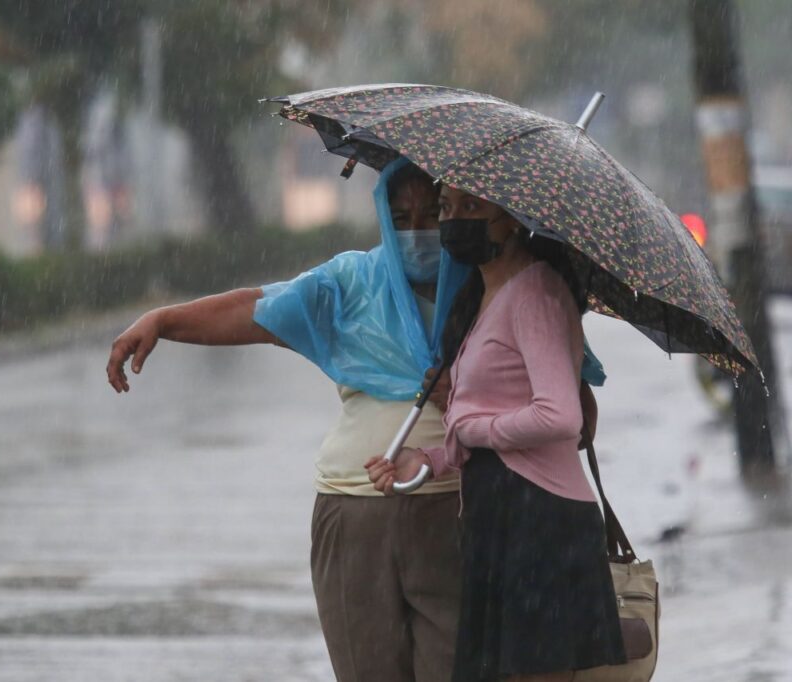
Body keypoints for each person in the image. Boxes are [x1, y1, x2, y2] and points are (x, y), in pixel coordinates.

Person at [107, 159, 604, 682]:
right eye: (402, 216)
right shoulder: (350, 282)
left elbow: (574, 419)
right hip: (353, 514)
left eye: (434, 213)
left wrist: (459, 406)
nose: (419, 231)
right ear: (383, 220)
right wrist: (164, 321)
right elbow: (258, 308)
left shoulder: (502, 287)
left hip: (460, 514)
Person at [367, 185, 627, 682]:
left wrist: (475, 429)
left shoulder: (536, 291)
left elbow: (561, 416)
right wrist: (425, 460)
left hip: (540, 520)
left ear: (512, 218)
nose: (452, 219)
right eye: (447, 207)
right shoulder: (483, 295)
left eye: (472, 207)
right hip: (500, 519)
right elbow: (480, 418)